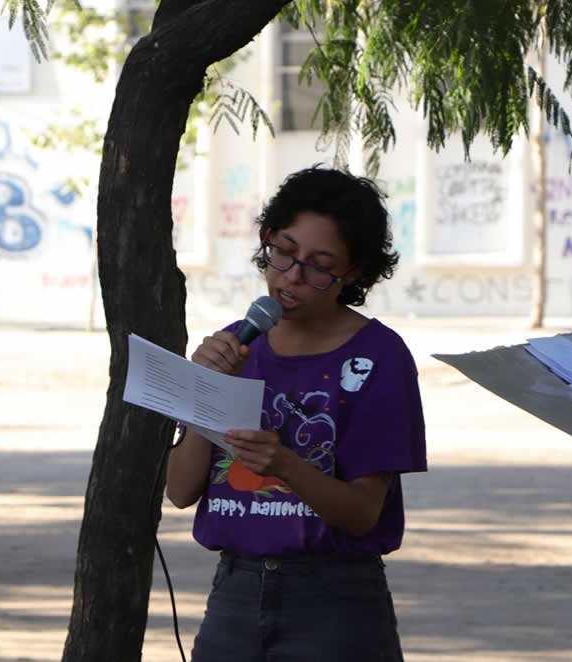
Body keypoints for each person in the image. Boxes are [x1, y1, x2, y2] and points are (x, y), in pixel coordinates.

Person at [166, 166, 427, 661]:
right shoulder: (236, 345)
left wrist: (285, 465)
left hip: (336, 606)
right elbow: (179, 490)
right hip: (234, 596)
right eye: (283, 251)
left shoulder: (380, 357)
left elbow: (363, 513)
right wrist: (208, 390)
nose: (291, 275)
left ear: (351, 273)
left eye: (318, 264)